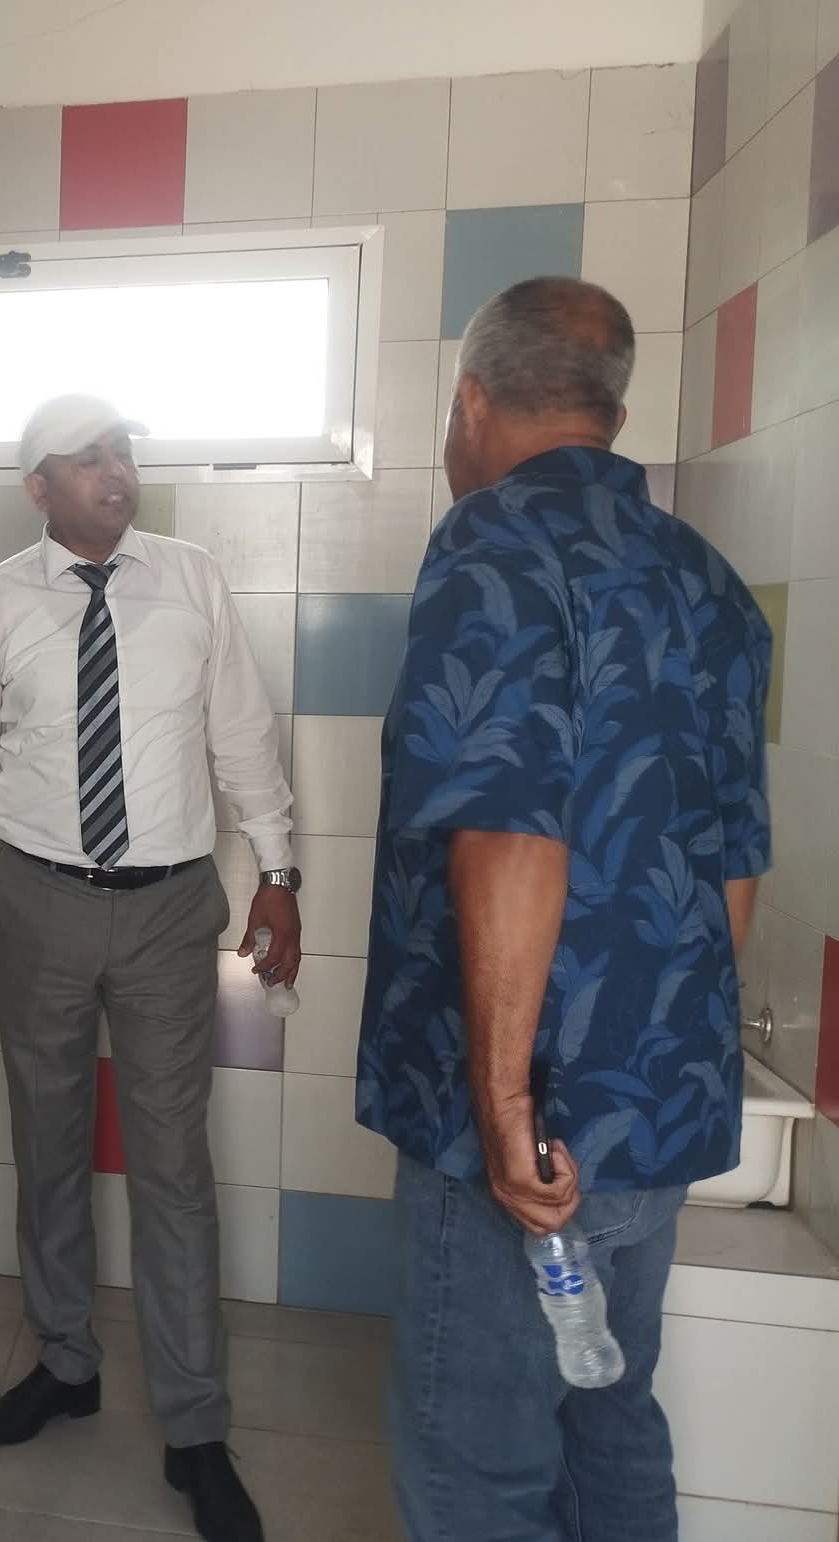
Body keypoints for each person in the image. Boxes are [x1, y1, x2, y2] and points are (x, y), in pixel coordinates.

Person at [357, 278, 770, 1541]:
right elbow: (732, 864)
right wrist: (654, 1059)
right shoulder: (708, 581)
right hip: (654, 1105)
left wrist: (502, 1109)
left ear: (470, 400)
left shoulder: (488, 545)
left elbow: (505, 831)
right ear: (614, 413)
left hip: (521, 1132)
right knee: (610, 1424)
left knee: (478, 1469)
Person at [0, 396, 301, 1542]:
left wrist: (277, 869)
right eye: (85, 458)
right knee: (45, 1148)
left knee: (172, 1167)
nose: (113, 471)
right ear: (36, 487)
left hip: (167, 908)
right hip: (34, 900)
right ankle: (65, 1364)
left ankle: (195, 1430)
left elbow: (240, 733)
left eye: (122, 451)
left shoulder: (191, 581)